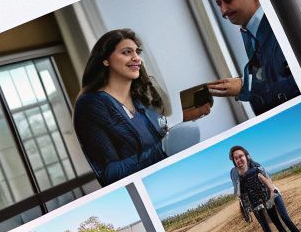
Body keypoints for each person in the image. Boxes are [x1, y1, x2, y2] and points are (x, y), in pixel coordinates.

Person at [72, 28, 209, 186]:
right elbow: (108, 174)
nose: (136, 58)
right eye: (126, 52)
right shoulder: (90, 105)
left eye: (137, 52)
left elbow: (159, 140)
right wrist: (163, 149)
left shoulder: (141, 96)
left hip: (176, 178)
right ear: (105, 60)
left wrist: (183, 125)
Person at [204, 0, 300, 114]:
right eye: (219, 4)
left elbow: (300, 84)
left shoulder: (282, 27)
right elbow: (271, 75)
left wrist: (245, 87)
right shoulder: (250, 32)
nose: (223, 11)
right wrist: (242, 83)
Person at [229, 145, 301, 232]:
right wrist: (246, 209)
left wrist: (270, 200)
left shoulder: (256, 168)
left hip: (272, 195)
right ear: (233, 160)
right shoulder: (235, 174)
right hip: (260, 201)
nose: (239, 159)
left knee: (284, 217)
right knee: (274, 224)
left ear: (246, 156)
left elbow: (270, 185)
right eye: (236, 158)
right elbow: (240, 194)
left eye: (241, 156)